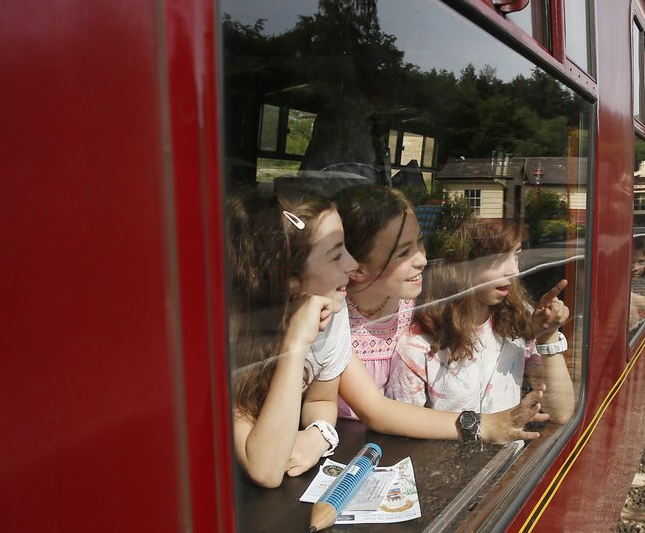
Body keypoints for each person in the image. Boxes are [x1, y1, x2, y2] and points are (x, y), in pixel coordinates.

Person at [226, 187, 551, 488]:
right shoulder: (231, 342)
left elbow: (322, 400)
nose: (351, 265)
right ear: (290, 278)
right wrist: (295, 345)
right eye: (336, 254)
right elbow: (266, 469)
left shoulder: (330, 311)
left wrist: (319, 433)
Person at [389, 218, 575, 424]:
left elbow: (561, 412)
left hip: (509, 454)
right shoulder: (418, 349)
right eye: (499, 258)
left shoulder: (514, 322)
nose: (514, 270)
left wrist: (547, 335)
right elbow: (403, 430)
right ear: (461, 266)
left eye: (517, 256)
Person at [335, 184, 425, 409]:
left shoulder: (423, 308)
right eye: (404, 252)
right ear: (356, 269)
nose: (422, 259)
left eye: (420, 242)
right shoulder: (336, 320)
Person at [628, 234, 645, 334]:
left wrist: (629, 297)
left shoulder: (641, 281)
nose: (635, 268)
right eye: (631, 261)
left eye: (641, 262)